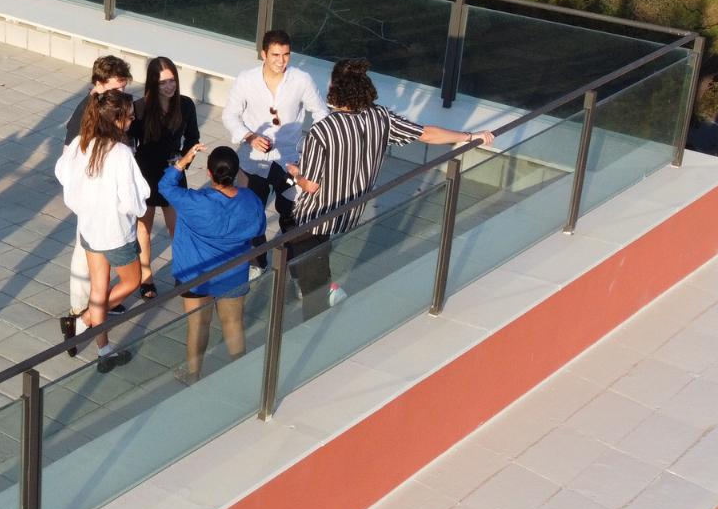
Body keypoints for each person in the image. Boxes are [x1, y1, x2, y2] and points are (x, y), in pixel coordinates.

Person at [286, 59, 495, 316]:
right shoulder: (381, 117)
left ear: (335, 88)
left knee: (303, 255)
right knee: (306, 249)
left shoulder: (323, 131)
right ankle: (316, 279)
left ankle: (318, 298)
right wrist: (470, 136)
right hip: (350, 211)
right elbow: (426, 133)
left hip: (316, 217)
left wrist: (295, 172)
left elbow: (310, 185)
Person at [54, 89, 148, 373]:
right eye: (129, 117)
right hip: (116, 232)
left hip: (89, 228)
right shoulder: (120, 152)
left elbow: (62, 173)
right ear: (116, 120)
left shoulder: (82, 143)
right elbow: (135, 196)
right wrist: (132, 210)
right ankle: (84, 320)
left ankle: (104, 350)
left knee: (98, 288)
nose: (132, 121)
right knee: (132, 282)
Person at [161, 146, 265, 382]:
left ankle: (193, 374)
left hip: (194, 275)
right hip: (233, 274)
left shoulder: (195, 202)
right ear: (236, 172)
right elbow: (258, 228)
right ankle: (241, 374)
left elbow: (165, 187)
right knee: (234, 323)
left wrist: (181, 163)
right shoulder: (250, 200)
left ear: (209, 174)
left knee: (197, 325)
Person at [222, 31, 327, 264]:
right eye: (275, 55)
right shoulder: (246, 79)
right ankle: (256, 263)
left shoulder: (301, 80)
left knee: (292, 212)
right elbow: (229, 114)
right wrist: (249, 136)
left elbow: (321, 112)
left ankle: (298, 268)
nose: (281, 61)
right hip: (254, 160)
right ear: (263, 54)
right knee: (252, 214)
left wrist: (310, 146)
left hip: (288, 160)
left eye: (286, 55)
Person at [59, 55, 133, 352]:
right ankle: (81, 312)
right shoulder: (86, 110)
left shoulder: (112, 105)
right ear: (100, 83)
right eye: (118, 82)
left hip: (103, 196)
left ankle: (94, 314)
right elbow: (69, 157)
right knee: (84, 252)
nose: (123, 86)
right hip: (95, 199)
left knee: (95, 261)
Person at [131, 56, 200, 298]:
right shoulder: (140, 108)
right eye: (163, 83)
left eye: (172, 80)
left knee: (178, 228)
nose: (169, 86)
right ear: (152, 83)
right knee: (143, 229)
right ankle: (146, 277)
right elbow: (130, 142)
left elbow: (192, 138)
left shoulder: (186, 105)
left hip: (173, 172)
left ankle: (182, 272)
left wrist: (183, 160)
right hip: (146, 173)